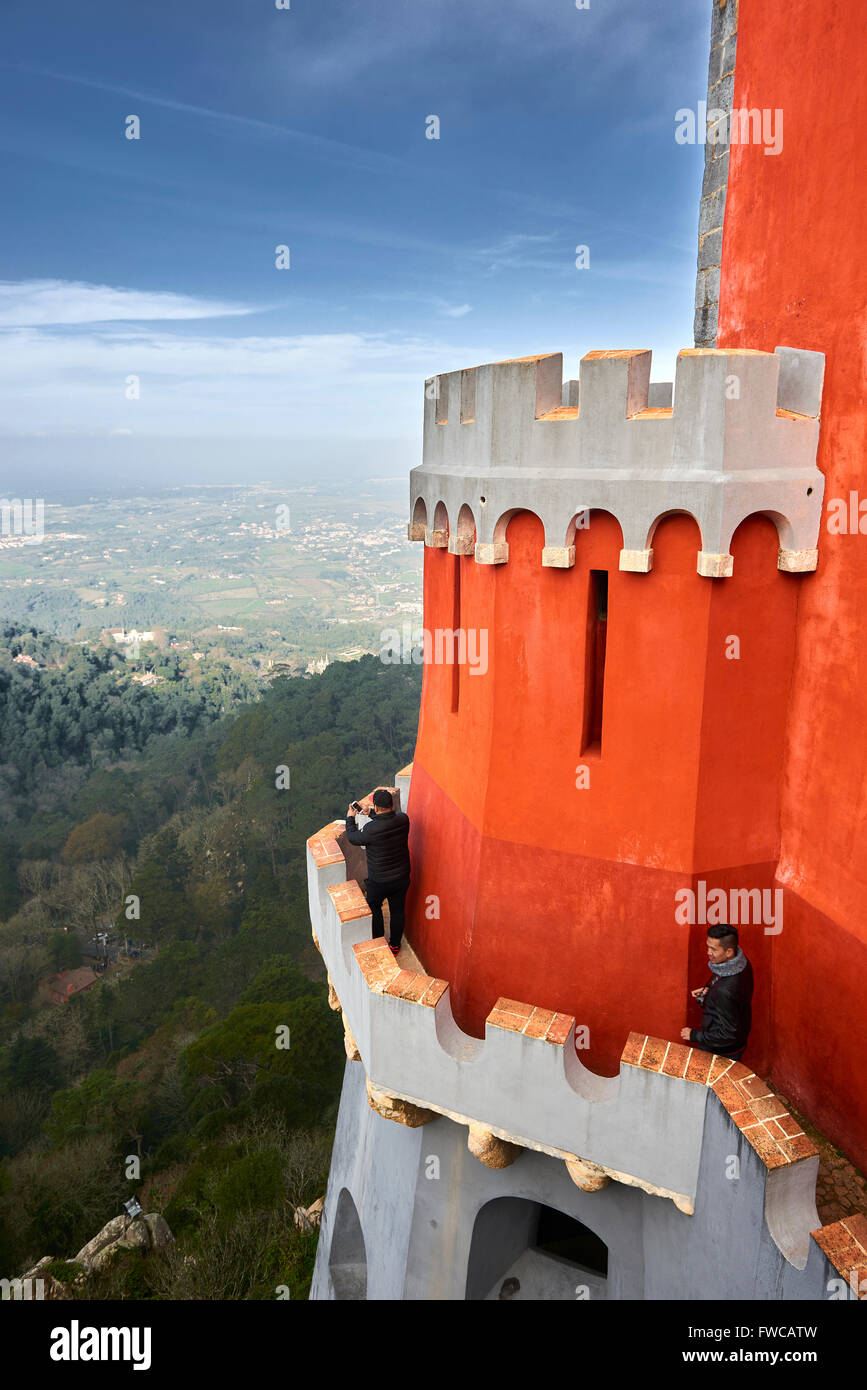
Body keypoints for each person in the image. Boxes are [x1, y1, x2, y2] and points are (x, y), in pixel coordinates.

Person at [345, 788, 411, 956]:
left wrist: (350, 817)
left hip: (379, 881)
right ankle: (395, 945)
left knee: (375, 908)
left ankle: (379, 943)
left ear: (376, 805)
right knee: (397, 910)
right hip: (401, 877)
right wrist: (372, 813)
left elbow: (353, 837)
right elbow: (388, 820)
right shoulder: (404, 820)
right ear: (391, 804)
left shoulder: (370, 830)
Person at [680, 924, 753, 1061]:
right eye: (708, 946)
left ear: (729, 952)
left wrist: (694, 1035)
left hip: (720, 1052)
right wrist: (710, 991)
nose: (708, 952)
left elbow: (728, 1035)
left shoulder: (724, 992)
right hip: (738, 1042)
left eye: (713, 949)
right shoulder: (742, 963)